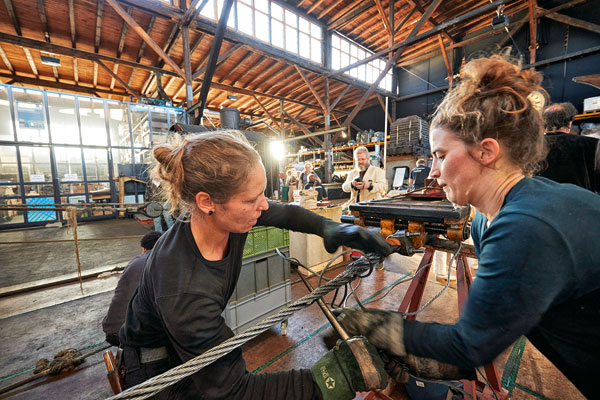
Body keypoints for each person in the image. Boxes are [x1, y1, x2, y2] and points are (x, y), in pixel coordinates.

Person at [332, 55, 600, 399]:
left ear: (486, 151)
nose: (432, 172)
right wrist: (439, 358)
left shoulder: (524, 226)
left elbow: (471, 345)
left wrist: (377, 327)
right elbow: (499, 325)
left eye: (441, 156)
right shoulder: (487, 224)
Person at [119, 131, 393, 399]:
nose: (263, 206)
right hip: (157, 371)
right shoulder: (185, 288)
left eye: (262, 193)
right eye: (252, 199)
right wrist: (328, 380)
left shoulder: (226, 217)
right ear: (206, 202)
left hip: (183, 346)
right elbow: (234, 391)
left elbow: (285, 212)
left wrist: (330, 228)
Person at [102, 231, 163, 346]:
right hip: (131, 335)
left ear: (143, 249)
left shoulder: (134, 262)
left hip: (112, 330)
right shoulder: (162, 261)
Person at [538, 102, 600, 192]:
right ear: (569, 123)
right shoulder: (592, 144)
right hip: (578, 201)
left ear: (544, 122)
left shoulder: (532, 146)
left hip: (538, 200)